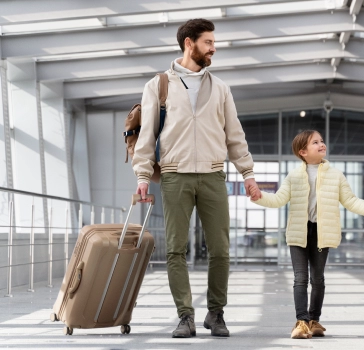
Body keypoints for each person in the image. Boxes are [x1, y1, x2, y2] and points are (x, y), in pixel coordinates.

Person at [133, 18, 261, 338]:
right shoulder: (158, 85)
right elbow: (147, 136)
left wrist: (247, 174)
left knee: (220, 249)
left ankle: (216, 313)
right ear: (189, 44)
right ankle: (185, 316)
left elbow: (235, 136)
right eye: (208, 42)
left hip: (213, 175)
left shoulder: (220, 88)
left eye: (214, 43)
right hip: (175, 176)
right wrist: (143, 176)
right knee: (176, 249)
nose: (213, 48)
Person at [250, 130, 364, 339]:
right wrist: (259, 196)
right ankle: (301, 322)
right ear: (303, 151)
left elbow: (351, 201)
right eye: (315, 142)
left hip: (321, 232)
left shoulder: (336, 175)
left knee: (318, 279)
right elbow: (277, 199)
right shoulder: (293, 176)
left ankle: (314, 319)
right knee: (300, 278)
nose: (321, 144)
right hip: (298, 232)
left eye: (321, 141)